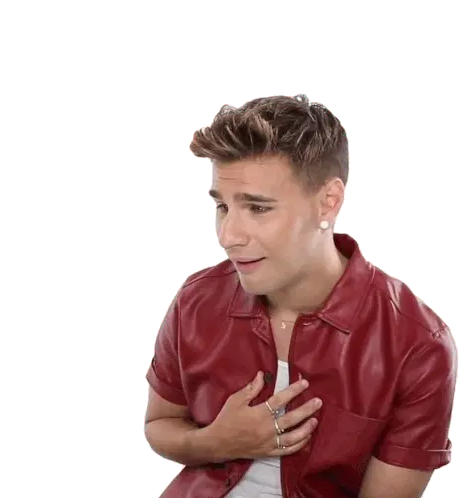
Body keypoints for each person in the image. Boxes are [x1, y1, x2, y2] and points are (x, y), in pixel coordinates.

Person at [143, 94, 457, 497]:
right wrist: (217, 443)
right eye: (222, 206)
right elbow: (159, 426)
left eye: (258, 208)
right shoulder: (196, 300)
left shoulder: (418, 345)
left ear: (328, 202)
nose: (228, 236)